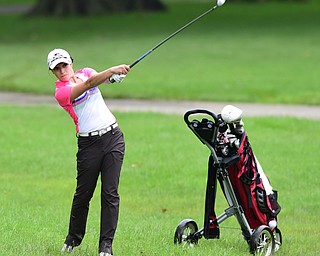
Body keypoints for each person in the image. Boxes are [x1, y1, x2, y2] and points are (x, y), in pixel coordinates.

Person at [47, 48, 131, 256]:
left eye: (64, 65)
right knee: (83, 195)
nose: (61, 70)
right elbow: (90, 85)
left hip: (113, 137)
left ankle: (106, 248)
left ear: (71, 62)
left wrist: (115, 76)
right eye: (56, 69)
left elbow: (100, 80)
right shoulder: (62, 92)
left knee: (110, 193)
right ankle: (73, 239)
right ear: (52, 72)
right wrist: (112, 69)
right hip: (89, 145)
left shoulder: (87, 72)